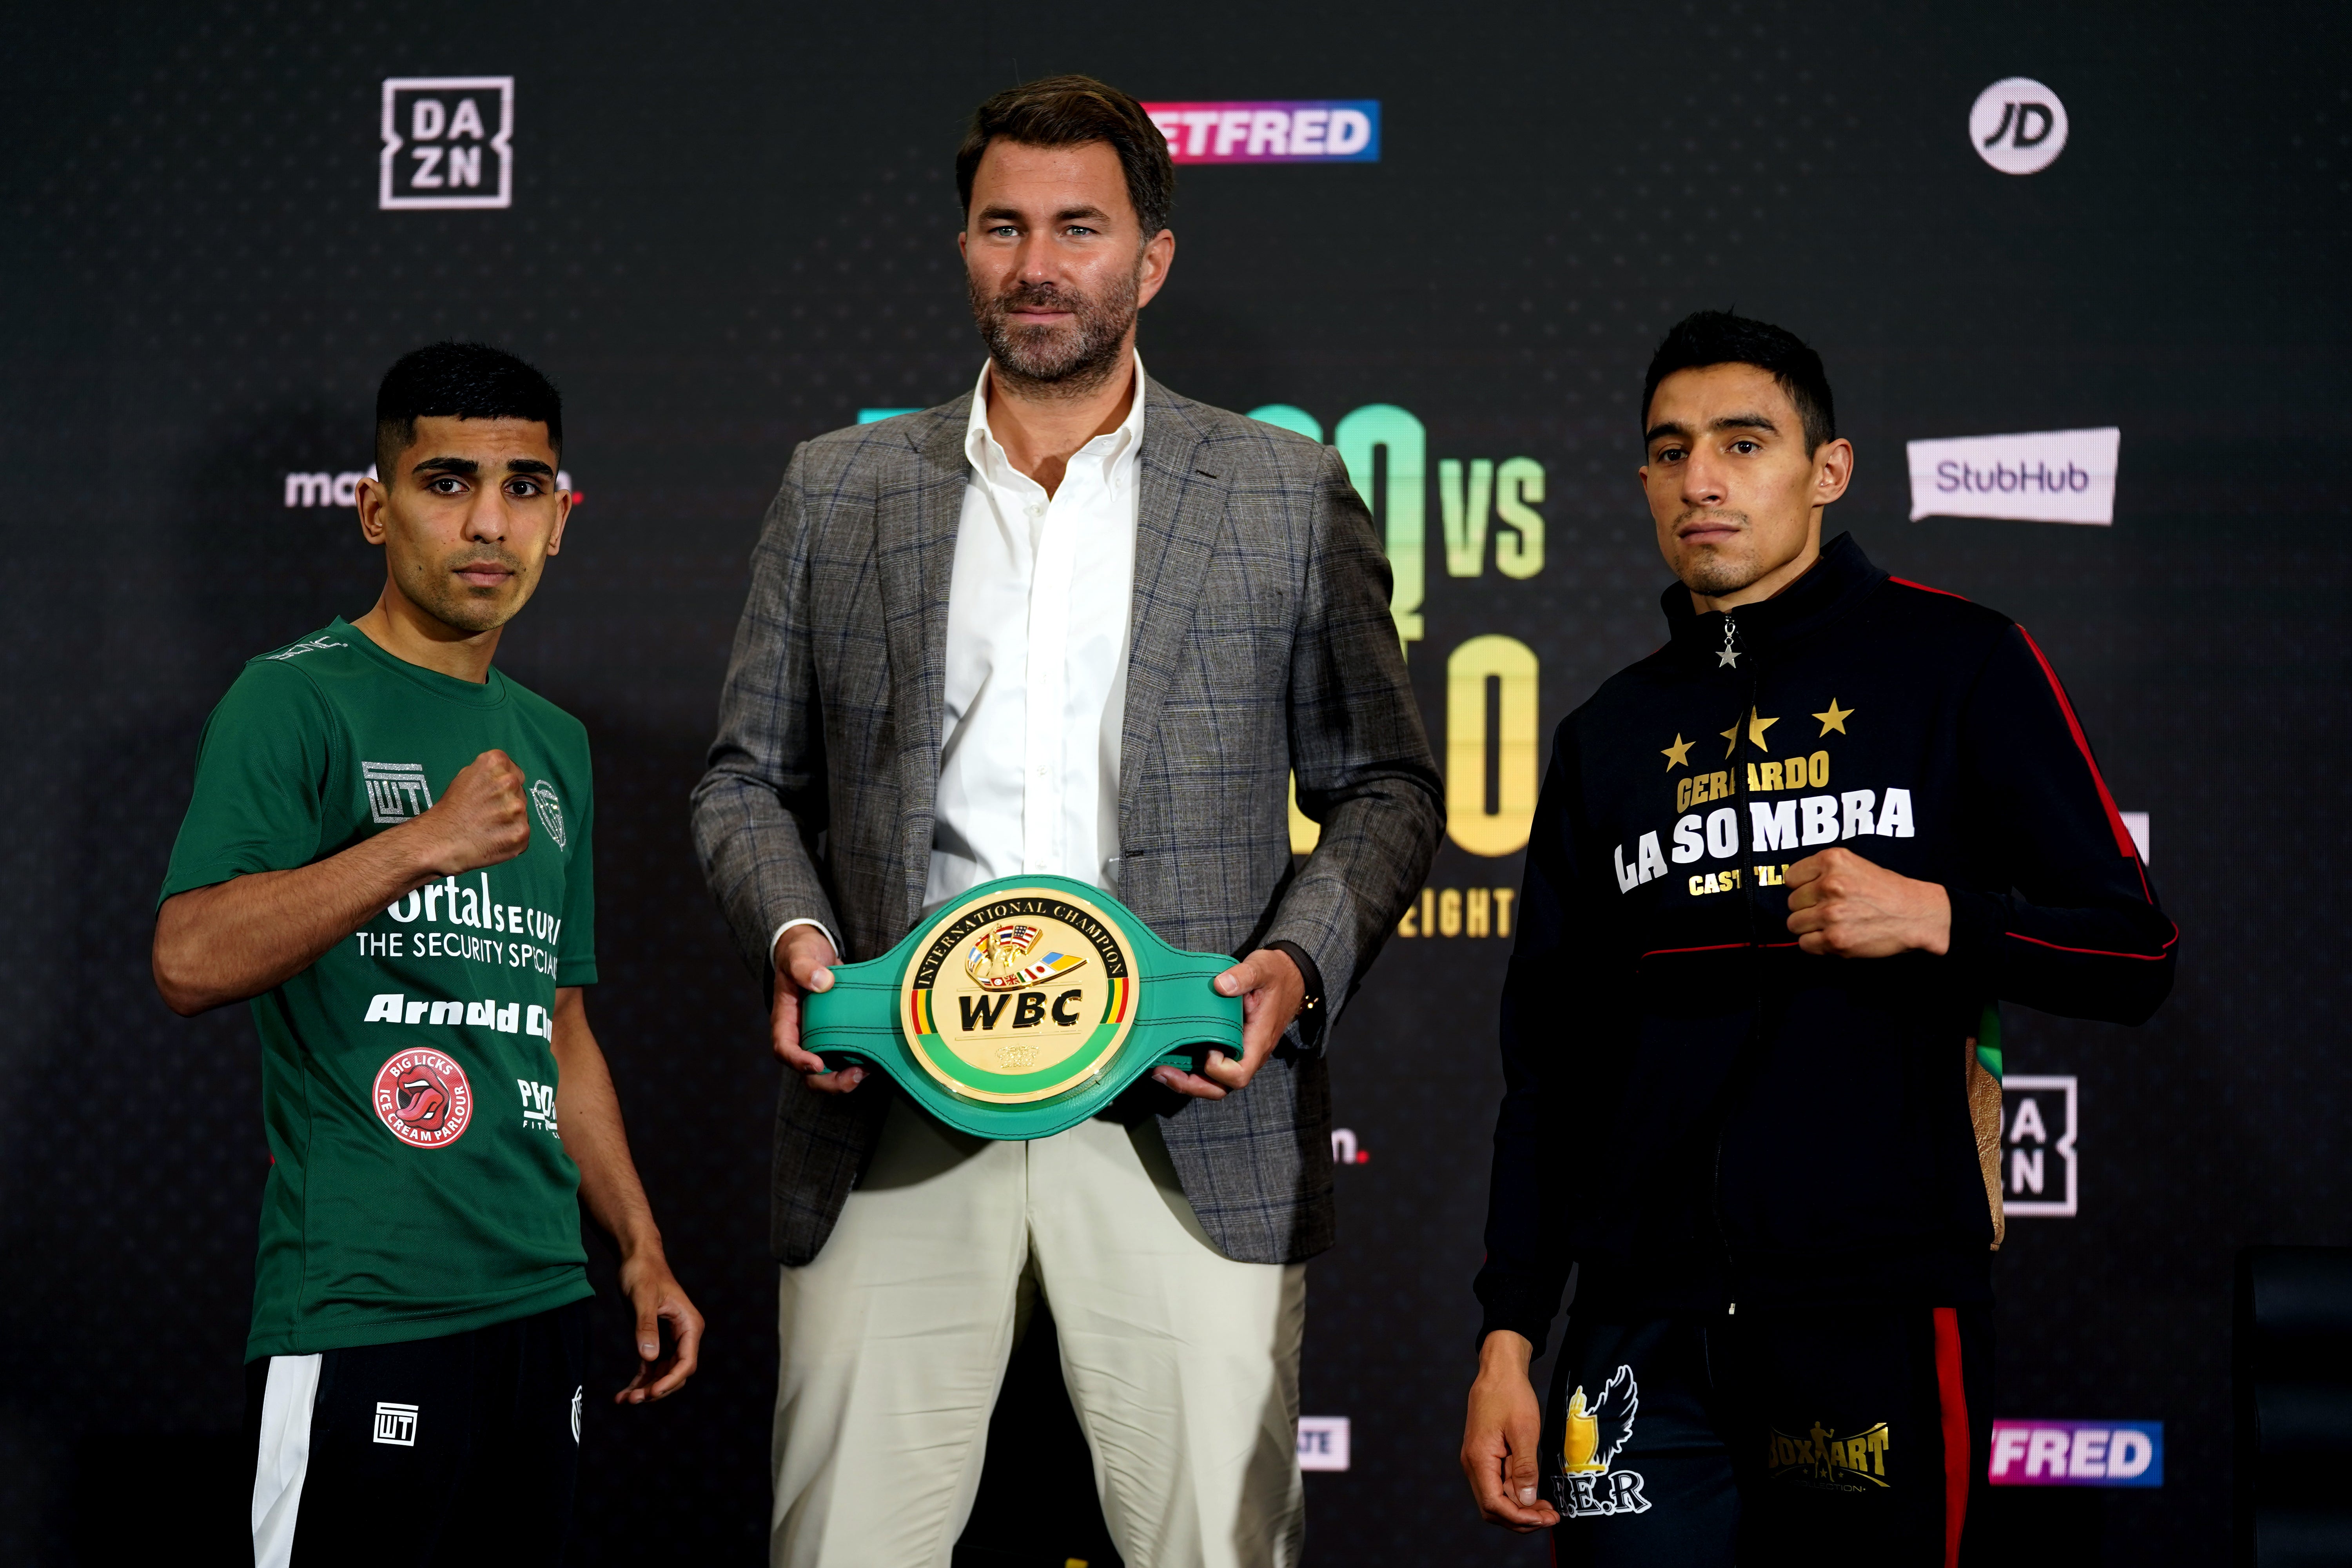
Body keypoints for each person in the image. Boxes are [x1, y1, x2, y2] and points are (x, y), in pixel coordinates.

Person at [691, 73, 1440, 1568]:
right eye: (1004, 227)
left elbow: (1384, 788)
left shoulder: (1283, 492)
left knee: (1213, 1549)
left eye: (1080, 229)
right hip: (893, 1095)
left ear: (1150, 259)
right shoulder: (839, 491)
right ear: (965, 248)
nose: (1039, 265)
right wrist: (794, 936)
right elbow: (744, 781)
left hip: (1183, 1104)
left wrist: (1288, 973)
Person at [1459, 311, 2175, 1566]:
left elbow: (2134, 952)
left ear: (1826, 471)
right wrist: (1511, 1337)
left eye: (1746, 442)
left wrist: (1939, 917)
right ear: (1641, 481)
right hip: (1636, 1337)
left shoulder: (1958, 661)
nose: (1705, 479)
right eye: (1671, 451)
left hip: (1872, 1313)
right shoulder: (1606, 738)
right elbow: (1553, 1072)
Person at [154, 343, 702, 1567]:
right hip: (363, 1298)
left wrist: (640, 1244)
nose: (487, 521)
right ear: (374, 504)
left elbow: (558, 1025)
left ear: (563, 520)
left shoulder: (554, 745)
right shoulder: (293, 699)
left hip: (542, 1301)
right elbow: (188, 957)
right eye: (447, 481)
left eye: (524, 488)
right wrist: (417, 846)